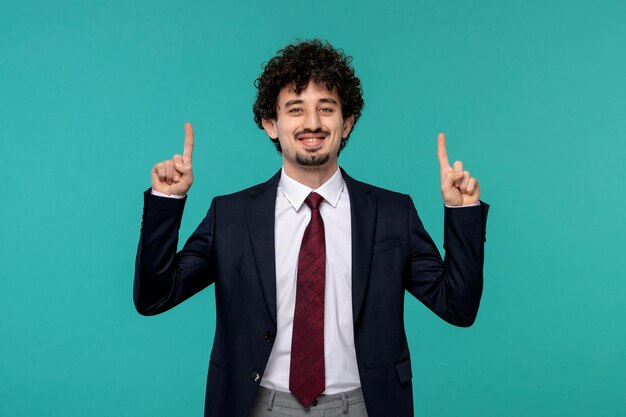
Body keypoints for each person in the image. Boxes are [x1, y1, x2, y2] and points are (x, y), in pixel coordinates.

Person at [134, 40, 489, 417]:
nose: (313, 123)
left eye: (326, 108)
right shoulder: (231, 215)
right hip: (257, 405)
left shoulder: (392, 213)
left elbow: (458, 307)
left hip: (364, 405)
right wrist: (166, 202)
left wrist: (461, 212)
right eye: (295, 109)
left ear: (347, 121)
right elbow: (154, 298)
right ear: (271, 124)